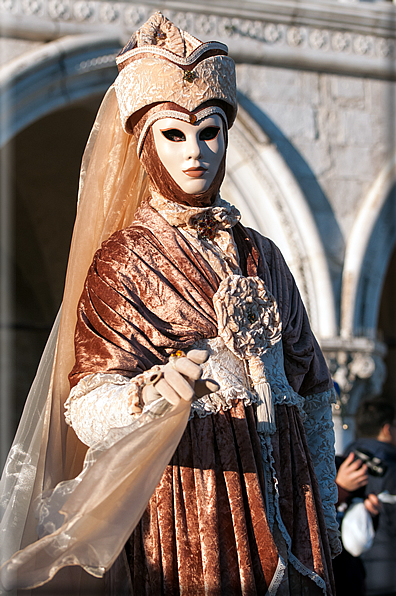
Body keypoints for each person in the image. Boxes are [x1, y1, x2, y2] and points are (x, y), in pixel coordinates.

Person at [0, 13, 341, 595]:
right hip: (192, 500)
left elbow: (312, 394)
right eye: (174, 135)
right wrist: (152, 391)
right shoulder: (123, 259)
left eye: (209, 132)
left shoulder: (266, 257)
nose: (195, 152)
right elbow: (84, 404)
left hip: (290, 499)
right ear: (145, 142)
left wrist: (327, 519)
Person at [343, 398, 396, 596]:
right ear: (387, 429)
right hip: (389, 570)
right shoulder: (391, 466)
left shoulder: (344, 461)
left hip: (355, 566)